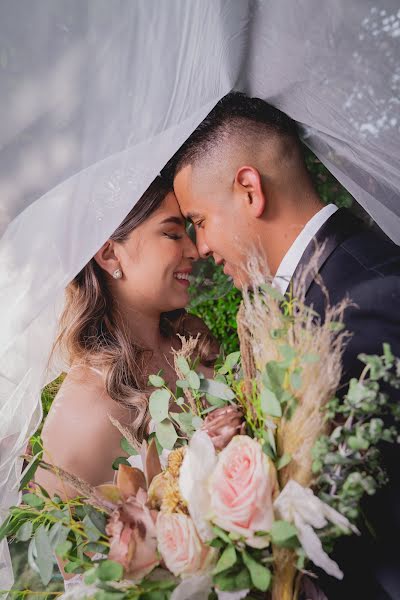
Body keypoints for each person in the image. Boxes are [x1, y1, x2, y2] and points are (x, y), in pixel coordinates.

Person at [166, 92, 400, 600]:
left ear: (249, 189)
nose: (201, 248)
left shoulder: (369, 298)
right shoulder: (324, 288)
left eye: (200, 221)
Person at [36, 177, 217, 499]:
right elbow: (69, 541)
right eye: (172, 234)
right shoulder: (85, 412)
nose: (194, 250)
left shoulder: (190, 343)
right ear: (110, 255)